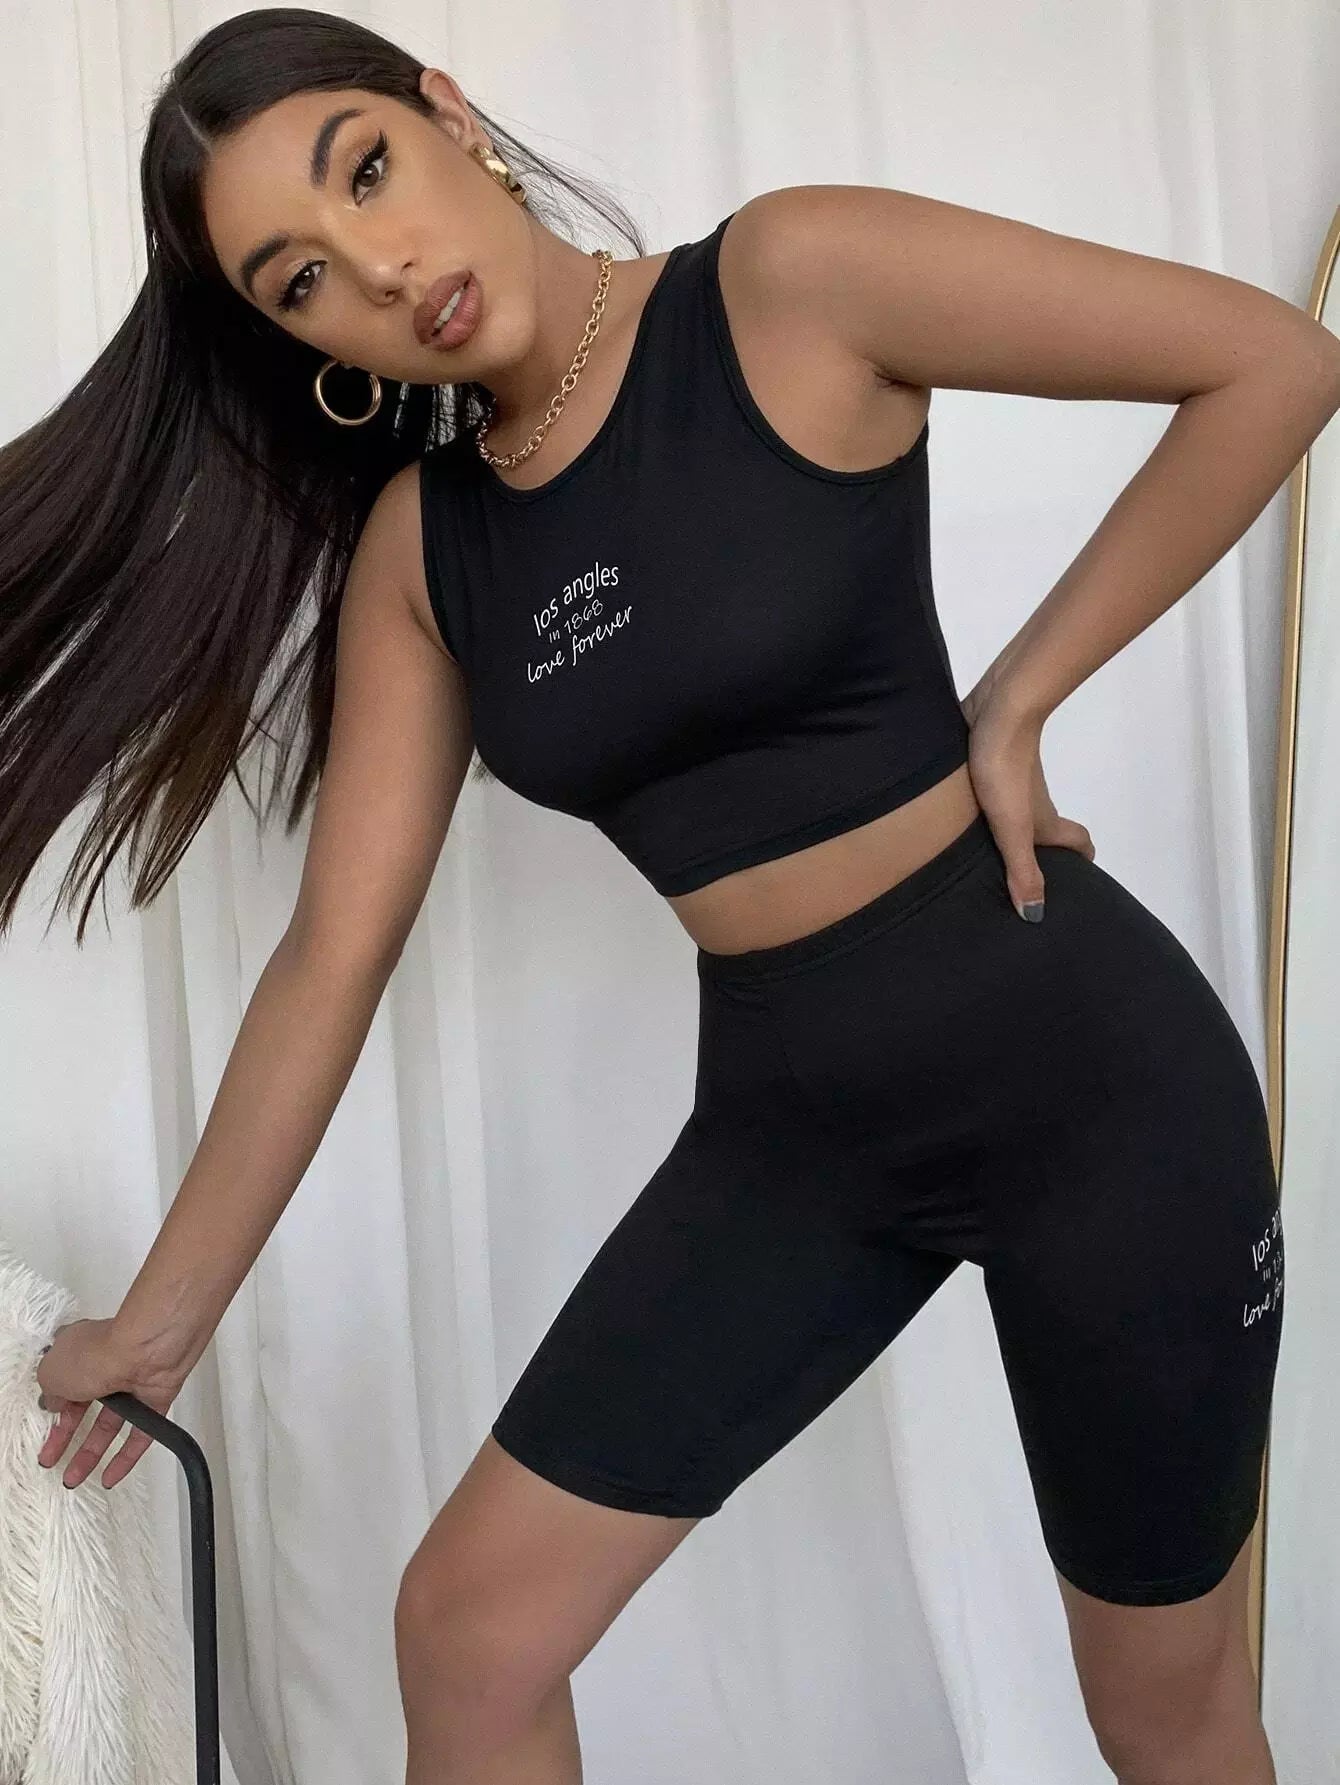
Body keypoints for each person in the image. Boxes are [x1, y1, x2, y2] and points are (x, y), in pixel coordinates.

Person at [12, 7, 1335, 1782]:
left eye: (370, 170)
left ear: (452, 116)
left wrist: (1021, 695)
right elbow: (332, 953)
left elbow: (1272, 362)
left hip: (1088, 1081)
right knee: (469, 1635)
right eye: (302, 279)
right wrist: (161, 1325)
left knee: (1163, 1715)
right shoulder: (428, 552)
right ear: (297, 343)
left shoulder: (787, 283)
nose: (379, 268)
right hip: (798, 1134)